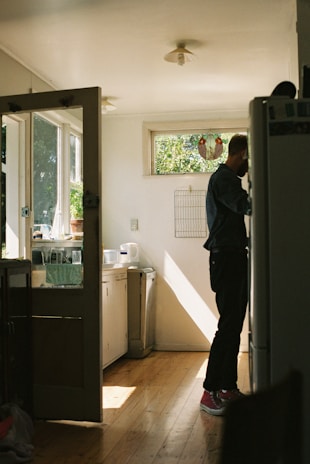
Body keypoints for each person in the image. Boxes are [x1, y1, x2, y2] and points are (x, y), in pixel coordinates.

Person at [200, 134, 251, 416]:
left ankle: (227, 387)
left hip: (231, 257)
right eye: (249, 159)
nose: (249, 165)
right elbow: (247, 206)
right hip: (226, 258)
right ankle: (209, 391)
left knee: (233, 326)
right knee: (228, 325)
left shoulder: (227, 180)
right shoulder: (225, 180)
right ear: (242, 153)